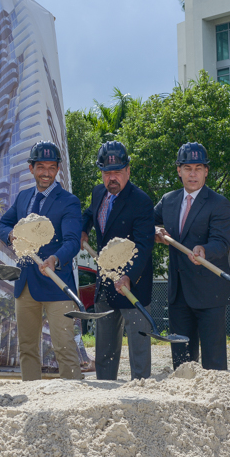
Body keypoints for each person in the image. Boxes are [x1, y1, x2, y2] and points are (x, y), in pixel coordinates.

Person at [0, 141, 83, 381]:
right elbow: (2, 224)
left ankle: (75, 400)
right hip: (25, 285)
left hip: (57, 284)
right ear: (31, 168)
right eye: (41, 167)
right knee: (27, 348)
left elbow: (73, 241)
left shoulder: (69, 201)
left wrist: (55, 258)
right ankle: (31, 397)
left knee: (64, 348)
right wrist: (11, 235)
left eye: (52, 167)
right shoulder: (23, 198)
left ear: (58, 170)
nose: (46, 173)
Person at [154, 142, 230, 371]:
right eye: (188, 168)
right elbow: (146, 222)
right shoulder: (168, 200)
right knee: (182, 361)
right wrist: (154, 231)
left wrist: (204, 250)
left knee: (214, 362)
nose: (193, 174)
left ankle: (215, 403)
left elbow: (221, 242)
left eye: (198, 168)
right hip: (179, 294)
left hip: (210, 292)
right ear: (178, 170)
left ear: (206, 171)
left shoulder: (218, 203)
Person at [81, 141, 154, 381]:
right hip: (106, 285)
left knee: (139, 355)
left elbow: (144, 246)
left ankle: (141, 400)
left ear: (128, 171)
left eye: (118, 172)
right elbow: (90, 213)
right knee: (105, 353)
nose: (112, 178)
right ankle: (105, 394)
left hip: (134, 287)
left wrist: (129, 277)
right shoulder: (98, 192)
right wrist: (84, 229)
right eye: (107, 173)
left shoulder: (141, 201)